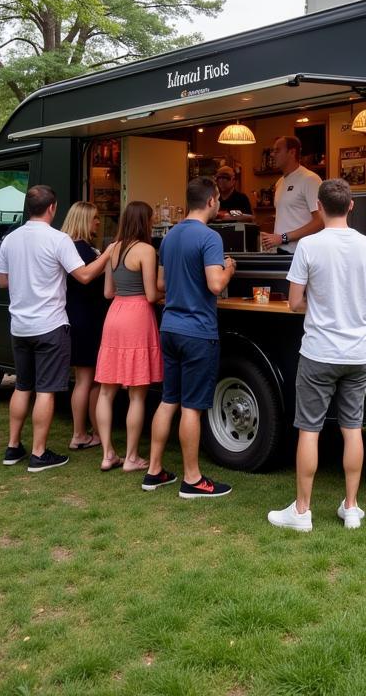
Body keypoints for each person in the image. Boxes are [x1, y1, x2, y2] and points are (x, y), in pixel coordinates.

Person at [268, 178, 366, 532]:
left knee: (309, 430)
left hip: (319, 351)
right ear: (351, 206)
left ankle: (302, 512)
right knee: (352, 429)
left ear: (318, 207)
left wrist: (318, 302)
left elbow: (294, 302)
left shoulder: (308, 246)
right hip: (357, 352)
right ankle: (351, 508)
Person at [0, 185, 112, 473]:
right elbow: (84, 276)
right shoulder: (58, 239)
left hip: (20, 324)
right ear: (52, 208)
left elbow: (3, 282)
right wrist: (108, 255)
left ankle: (13, 447)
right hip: (49, 324)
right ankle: (39, 452)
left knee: (23, 386)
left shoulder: (9, 240)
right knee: (46, 390)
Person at [144, 177, 236, 497]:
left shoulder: (169, 237)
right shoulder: (210, 238)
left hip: (169, 326)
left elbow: (160, 286)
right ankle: (192, 479)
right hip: (198, 331)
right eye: (219, 199)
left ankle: (154, 471)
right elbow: (215, 285)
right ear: (212, 200)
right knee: (192, 408)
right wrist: (229, 268)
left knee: (168, 400)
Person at [95, 200, 163, 473]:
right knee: (137, 394)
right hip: (137, 316)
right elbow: (150, 294)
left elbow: (107, 293)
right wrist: (166, 294)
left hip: (115, 314)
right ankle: (132, 457)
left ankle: (107, 453)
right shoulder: (146, 250)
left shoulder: (113, 248)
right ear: (144, 222)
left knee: (106, 391)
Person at [61, 201, 108, 452]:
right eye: (95, 218)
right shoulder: (81, 249)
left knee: (88, 380)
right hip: (87, 319)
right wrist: (109, 254)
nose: (98, 222)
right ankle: (80, 433)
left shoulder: (76, 247)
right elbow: (89, 276)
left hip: (79, 317)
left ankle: (93, 432)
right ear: (83, 220)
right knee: (87, 379)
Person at [260, 136, 322, 253]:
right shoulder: (279, 182)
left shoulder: (310, 179)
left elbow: (320, 222)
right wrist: (271, 237)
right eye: (272, 151)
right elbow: (288, 218)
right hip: (282, 252)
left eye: (277, 150)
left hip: (303, 254)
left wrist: (282, 238)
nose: (272, 155)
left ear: (292, 152)